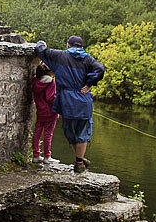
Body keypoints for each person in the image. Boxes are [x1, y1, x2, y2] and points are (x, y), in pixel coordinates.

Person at [35, 35, 105, 173]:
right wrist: (89, 83)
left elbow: (41, 50)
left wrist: (41, 42)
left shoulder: (60, 56)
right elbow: (100, 69)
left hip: (66, 100)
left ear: (68, 45)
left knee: (70, 131)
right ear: (82, 47)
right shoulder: (88, 59)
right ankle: (79, 160)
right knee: (83, 131)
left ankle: (79, 160)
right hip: (83, 98)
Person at [31, 63, 59, 164]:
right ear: (50, 72)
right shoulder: (51, 82)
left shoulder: (35, 81)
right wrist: (60, 102)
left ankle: (36, 155)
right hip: (50, 111)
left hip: (40, 110)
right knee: (48, 133)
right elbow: (50, 98)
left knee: (37, 132)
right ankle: (47, 156)